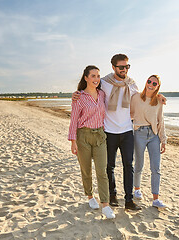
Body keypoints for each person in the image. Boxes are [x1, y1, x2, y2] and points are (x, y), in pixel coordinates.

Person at [73, 54, 142, 210]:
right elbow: (88, 90)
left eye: (127, 66)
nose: (125, 70)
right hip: (109, 132)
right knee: (109, 166)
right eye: (121, 67)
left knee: (128, 165)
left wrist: (159, 97)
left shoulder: (132, 85)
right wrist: (75, 94)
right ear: (113, 67)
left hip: (126, 131)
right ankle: (112, 196)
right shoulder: (104, 82)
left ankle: (129, 200)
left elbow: (143, 99)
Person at [68, 65, 115, 219]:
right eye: (93, 76)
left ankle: (105, 205)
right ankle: (90, 196)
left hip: (100, 136)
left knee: (102, 171)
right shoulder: (79, 97)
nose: (96, 79)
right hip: (83, 136)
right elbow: (74, 119)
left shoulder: (102, 94)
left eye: (98, 76)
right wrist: (73, 141)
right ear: (86, 78)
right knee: (86, 170)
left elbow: (121, 94)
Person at [130, 75, 167, 209]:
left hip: (154, 136)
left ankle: (155, 199)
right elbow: (128, 113)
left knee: (156, 168)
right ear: (146, 82)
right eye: (149, 81)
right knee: (139, 164)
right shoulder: (135, 97)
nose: (151, 84)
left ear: (157, 87)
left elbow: (161, 121)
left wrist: (163, 140)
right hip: (139, 133)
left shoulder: (158, 101)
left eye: (154, 84)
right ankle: (137, 189)